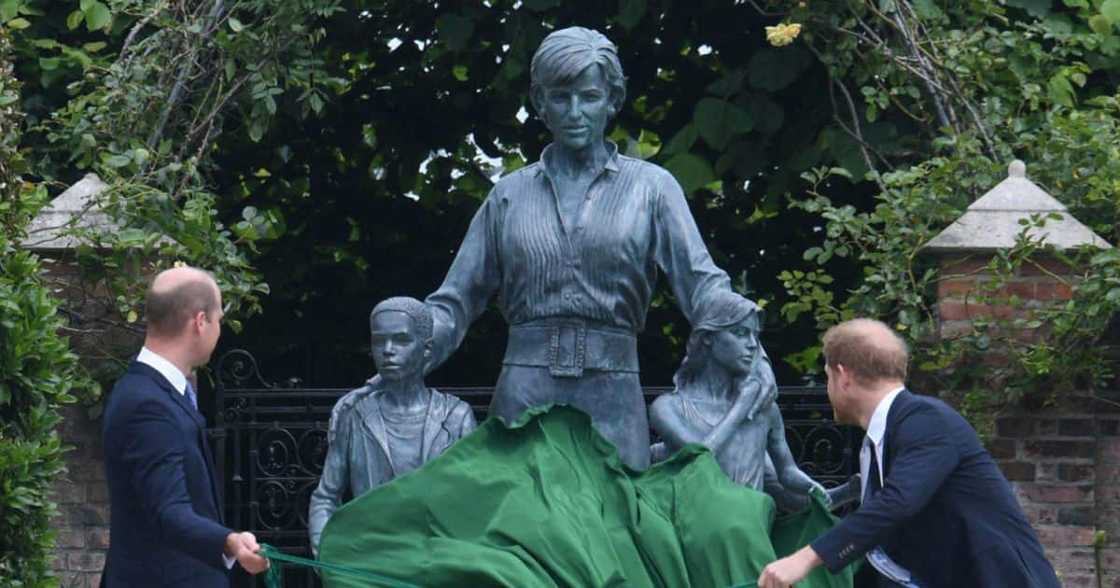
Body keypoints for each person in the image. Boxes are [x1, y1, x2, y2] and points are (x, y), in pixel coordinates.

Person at [423, 26, 769, 470]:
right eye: (560, 97)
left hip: (612, 390)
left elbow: (701, 285)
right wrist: (414, 346)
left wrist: (750, 345)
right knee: (516, 525)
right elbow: (454, 301)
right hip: (523, 393)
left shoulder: (652, 188)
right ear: (540, 103)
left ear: (612, 100)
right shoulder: (509, 195)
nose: (574, 112)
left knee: (617, 525)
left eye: (588, 97)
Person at [758, 318, 1060, 588]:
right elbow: (885, 552)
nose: (828, 389)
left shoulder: (927, 420)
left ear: (843, 375)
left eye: (826, 377)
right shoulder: (887, 435)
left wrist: (804, 559)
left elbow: (897, 503)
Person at [101, 267, 269, 587]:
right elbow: (169, 511)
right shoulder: (147, 404)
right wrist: (229, 541)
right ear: (200, 321)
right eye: (218, 320)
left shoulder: (153, 392)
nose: (218, 331)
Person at [308, 297, 476, 556]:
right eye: (379, 341)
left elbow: (473, 502)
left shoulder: (456, 418)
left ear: (427, 349)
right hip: (371, 562)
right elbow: (326, 497)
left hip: (436, 565)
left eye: (401, 340)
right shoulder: (356, 416)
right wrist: (327, 555)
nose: (387, 350)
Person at [649, 292, 842, 512]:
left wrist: (817, 488)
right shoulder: (668, 407)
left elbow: (786, 474)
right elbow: (698, 461)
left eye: (755, 336)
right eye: (740, 333)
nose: (752, 345)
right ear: (708, 338)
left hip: (751, 529)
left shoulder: (763, 408)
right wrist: (740, 407)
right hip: (694, 529)